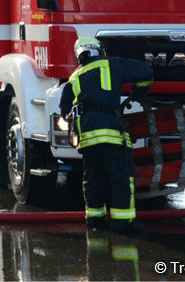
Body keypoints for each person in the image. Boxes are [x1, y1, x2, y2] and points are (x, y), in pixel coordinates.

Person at [58, 36, 153, 234]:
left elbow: (64, 108)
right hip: (110, 132)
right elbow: (146, 73)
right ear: (99, 50)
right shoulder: (113, 64)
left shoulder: (74, 77)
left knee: (93, 178)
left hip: (86, 137)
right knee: (121, 176)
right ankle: (122, 222)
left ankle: (94, 219)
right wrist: (138, 89)